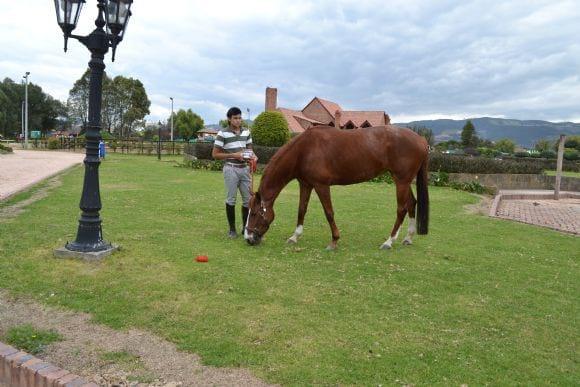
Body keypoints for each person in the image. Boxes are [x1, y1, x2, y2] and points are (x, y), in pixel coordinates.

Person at [212, 107, 257, 238]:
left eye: (239, 117)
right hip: (230, 168)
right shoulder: (222, 134)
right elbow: (215, 154)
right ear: (229, 119)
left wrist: (254, 157)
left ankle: (245, 228)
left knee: (248, 200)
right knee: (231, 199)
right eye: (235, 118)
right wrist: (234, 155)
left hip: (245, 169)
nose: (238, 120)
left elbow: (250, 150)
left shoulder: (246, 132)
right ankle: (232, 230)